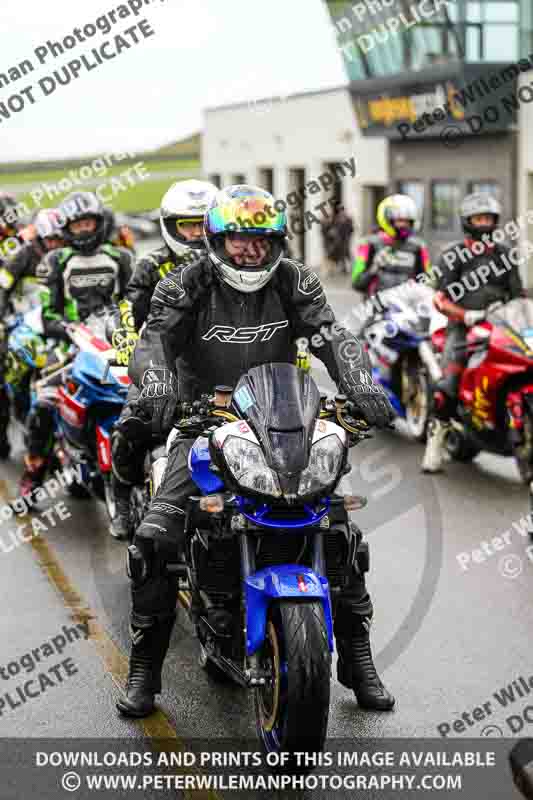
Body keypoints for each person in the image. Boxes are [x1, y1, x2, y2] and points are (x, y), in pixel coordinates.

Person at [116, 184, 396, 719]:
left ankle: (357, 659)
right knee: (154, 539)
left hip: (283, 419)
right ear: (218, 240)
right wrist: (155, 387)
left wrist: (362, 384)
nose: (250, 251)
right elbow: (155, 341)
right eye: (239, 240)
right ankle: (144, 671)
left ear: (276, 242)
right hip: (203, 420)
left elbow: (332, 335)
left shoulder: (295, 279)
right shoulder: (185, 282)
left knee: (338, 529)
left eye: (261, 240)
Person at [109, 179, 218, 540]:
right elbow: (127, 308)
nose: (195, 234)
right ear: (170, 227)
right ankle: (122, 498)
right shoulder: (151, 265)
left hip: (223, 367)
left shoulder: (232, 264)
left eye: (203, 224)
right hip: (163, 366)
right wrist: (125, 338)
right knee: (131, 428)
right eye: (187, 225)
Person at [19, 191, 134, 496]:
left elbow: (136, 303)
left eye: (88, 223)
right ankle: (34, 471)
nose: (83, 230)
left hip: (116, 343)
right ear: (67, 228)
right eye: (77, 225)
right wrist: (71, 329)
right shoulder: (55, 260)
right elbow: (48, 314)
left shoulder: (121, 257)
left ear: (98, 222)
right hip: (68, 346)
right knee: (43, 403)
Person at [422, 192, 524, 473]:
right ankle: (435, 443)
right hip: (462, 328)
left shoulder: (505, 254)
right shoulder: (454, 255)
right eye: (479, 219)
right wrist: (464, 315)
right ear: (467, 222)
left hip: (502, 326)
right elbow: (440, 299)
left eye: (489, 219)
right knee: (447, 387)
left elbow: (519, 295)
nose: (484, 224)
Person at [0, 209, 65, 459]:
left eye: (60, 240)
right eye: (51, 240)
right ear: (39, 239)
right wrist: (3, 320)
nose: (55, 245)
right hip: (20, 324)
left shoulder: (67, 257)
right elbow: (2, 288)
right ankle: (8, 419)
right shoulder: (20, 257)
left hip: (56, 324)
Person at [352, 194, 430, 294]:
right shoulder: (369, 244)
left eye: (408, 221)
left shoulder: (418, 247)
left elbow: (427, 282)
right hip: (377, 306)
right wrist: (374, 268)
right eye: (400, 220)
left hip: (407, 306)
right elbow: (356, 283)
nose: (404, 225)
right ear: (388, 220)